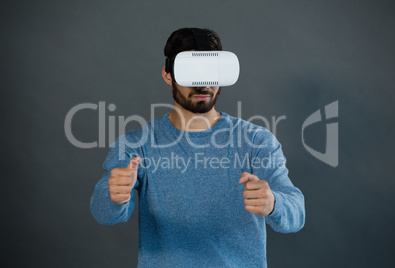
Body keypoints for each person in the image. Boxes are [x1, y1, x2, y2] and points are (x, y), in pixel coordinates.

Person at [90, 27, 305, 268]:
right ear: (167, 75)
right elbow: (103, 213)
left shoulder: (256, 141)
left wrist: (274, 202)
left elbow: (296, 214)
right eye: (191, 71)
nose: (203, 84)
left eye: (211, 71)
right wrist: (115, 196)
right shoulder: (135, 145)